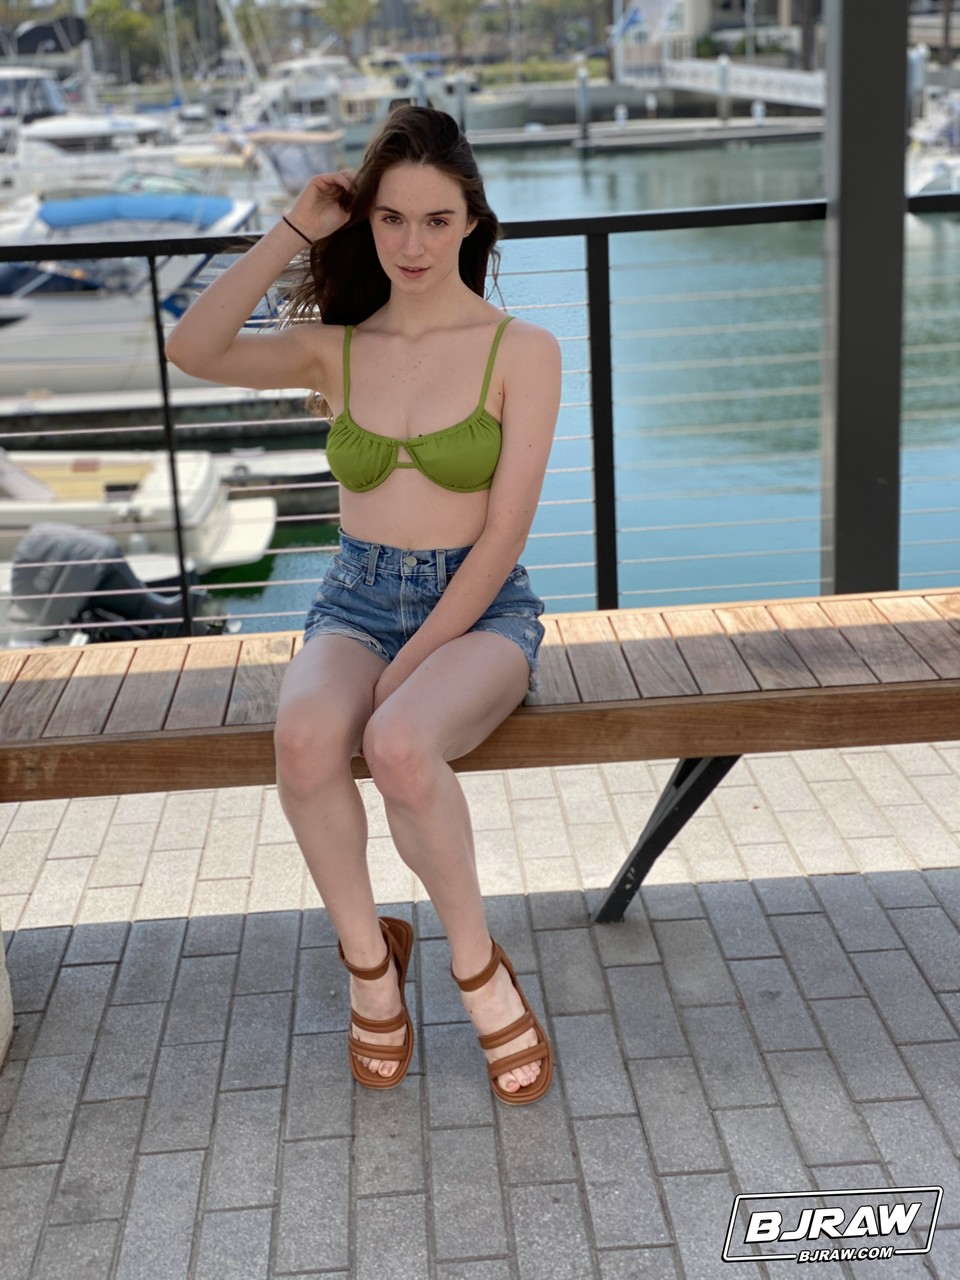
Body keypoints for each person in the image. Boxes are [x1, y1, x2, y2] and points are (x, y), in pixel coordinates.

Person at [165, 106, 561, 1105]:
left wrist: (413, 663)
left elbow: (503, 538)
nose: (412, 243)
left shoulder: (523, 349)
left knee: (397, 742)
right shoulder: (335, 349)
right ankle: (369, 965)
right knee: (303, 738)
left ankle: (476, 966)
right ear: (366, 221)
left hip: (480, 610)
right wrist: (294, 229)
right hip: (354, 597)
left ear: (472, 221)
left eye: (436, 220)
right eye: (391, 219)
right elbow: (192, 346)